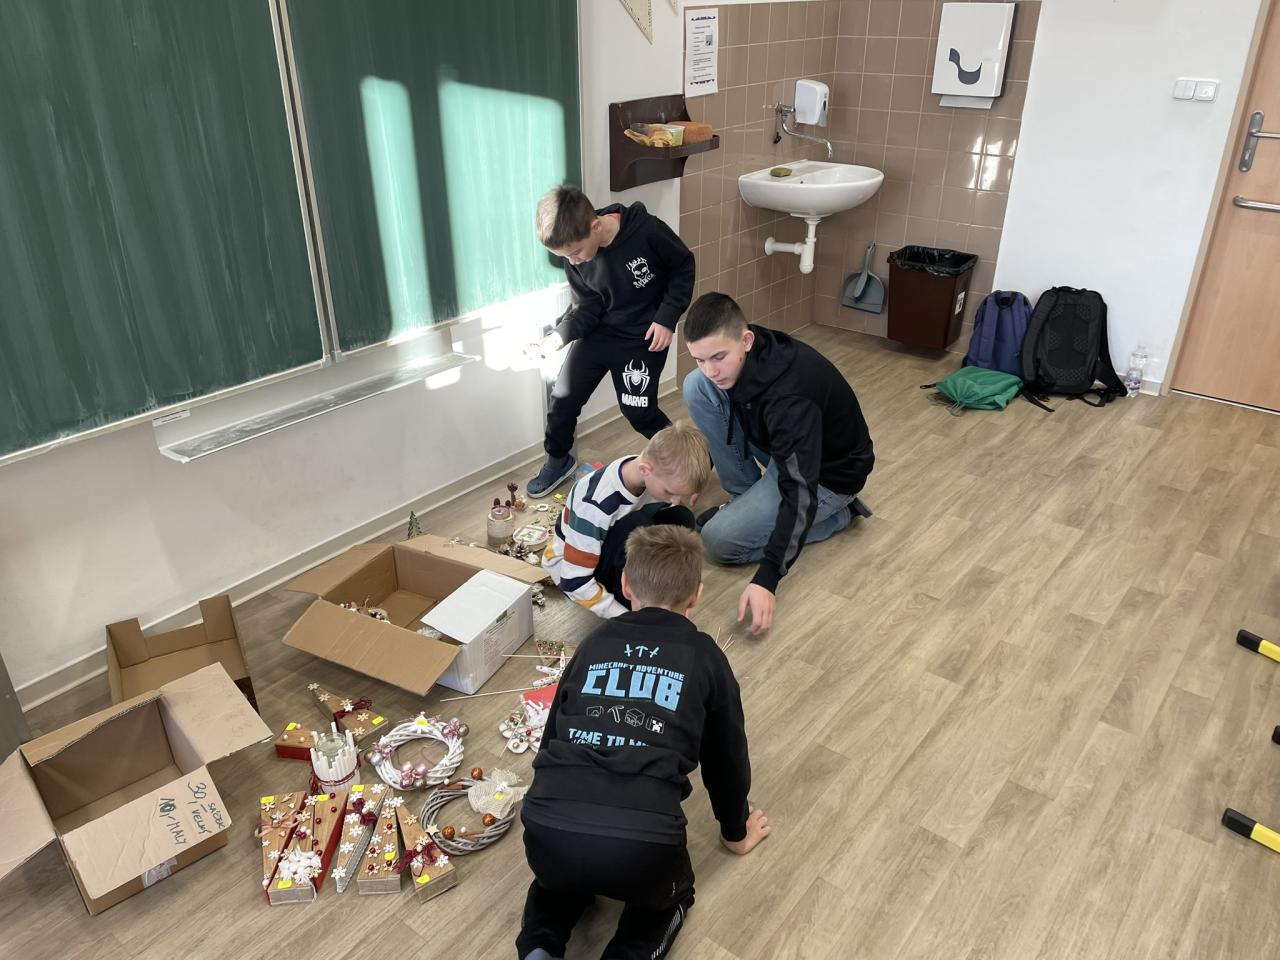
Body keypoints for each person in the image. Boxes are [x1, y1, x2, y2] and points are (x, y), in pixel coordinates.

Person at [518, 524, 770, 960]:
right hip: (643, 845)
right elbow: (726, 758)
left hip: (548, 824)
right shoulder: (706, 657)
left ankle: (540, 948)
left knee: (556, 884)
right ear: (696, 595)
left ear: (625, 584)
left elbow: (554, 733)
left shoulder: (594, 642)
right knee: (665, 900)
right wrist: (735, 830)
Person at [682, 293, 874, 636]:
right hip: (784, 447)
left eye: (718, 357)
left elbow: (799, 490)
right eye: (700, 359)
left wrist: (768, 578)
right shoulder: (742, 357)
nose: (710, 370)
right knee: (696, 387)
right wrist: (693, 473)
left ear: (746, 340)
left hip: (827, 476)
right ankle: (744, 498)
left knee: (718, 542)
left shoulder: (788, 399)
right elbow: (729, 416)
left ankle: (841, 515)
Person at [526, 185, 695, 498]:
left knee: (639, 413)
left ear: (595, 226)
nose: (574, 261)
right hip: (600, 334)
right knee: (563, 398)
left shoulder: (647, 231)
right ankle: (558, 460)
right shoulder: (575, 257)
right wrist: (557, 338)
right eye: (565, 257)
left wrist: (667, 316)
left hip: (643, 337)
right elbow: (587, 307)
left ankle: (688, 462)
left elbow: (683, 266)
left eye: (576, 252)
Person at [542, 422, 708, 618]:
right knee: (636, 524)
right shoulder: (595, 505)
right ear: (645, 470)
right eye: (669, 492)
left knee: (681, 516)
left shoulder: (651, 473)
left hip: (609, 548)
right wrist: (628, 618)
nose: (674, 500)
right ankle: (634, 603)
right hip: (574, 571)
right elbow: (574, 583)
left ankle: (661, 596)